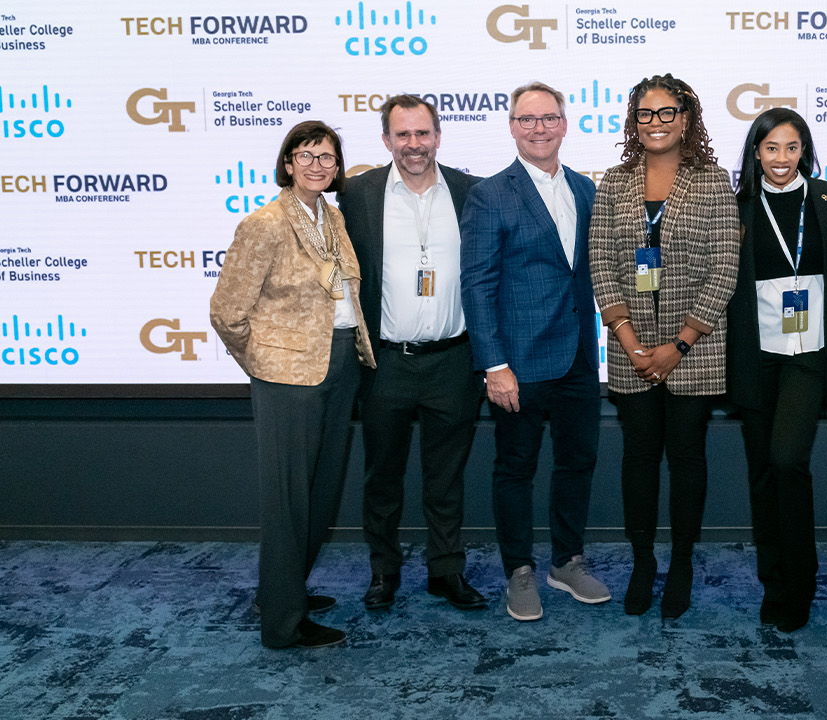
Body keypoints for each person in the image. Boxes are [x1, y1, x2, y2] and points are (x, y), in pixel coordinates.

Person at [210, 120, 376, 648]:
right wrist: (265, 361)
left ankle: (281, 591)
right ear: (287, 163)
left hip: (339, 363)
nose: (316, 165)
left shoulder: (332, 216)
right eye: (305, 155)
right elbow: (226, 312)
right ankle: (283, 625)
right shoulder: (264, 223)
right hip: (288, 377)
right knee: (288, 501)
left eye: (326, 157)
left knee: (320, 492)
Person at [589, 74, 739, 619]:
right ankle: (642, 562)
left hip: (694, 351)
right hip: (630, 351)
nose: (656, 123)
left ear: (686, 118)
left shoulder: (712, 181)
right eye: (645, 113)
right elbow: (601, 263)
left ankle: (680, 564)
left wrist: (679, 344)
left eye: (666, 112)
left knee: (687, 460)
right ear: (633, 121)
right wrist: (630, 342)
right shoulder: (613, 182)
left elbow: (725, 268)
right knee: (638, 460)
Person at [460, 81, 609, 622]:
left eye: (548, 118)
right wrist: (494, 365)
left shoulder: (586, 189)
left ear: (565, 125)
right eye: (527, 119)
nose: (539, 128)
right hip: (517, 365)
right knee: (515, 469)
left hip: (578, 358)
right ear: (512, 127)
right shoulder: (490, 195)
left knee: (577, 462)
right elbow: (476, 284)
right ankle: (519, 570)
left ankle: (566, 562)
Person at [338, 95, 486, 613]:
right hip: (385, 362)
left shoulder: (471, 192)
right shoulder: (357, 195)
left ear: (438, 136)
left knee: (446, 477)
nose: (414, 144)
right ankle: (384, 571)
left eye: (423, 133)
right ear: (386, 140)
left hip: (453, 359)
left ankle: (447, 571)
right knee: (382, 475)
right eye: (402, 134)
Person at [726, 108, 827, 632]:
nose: (782, 158)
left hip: (810, 354)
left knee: (787, 460)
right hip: (755, 356)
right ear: (756, 152)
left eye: (792, 147)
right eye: (771, 147)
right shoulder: (737, 207)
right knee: (763, 472)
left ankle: (800, 583)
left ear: (805, 150)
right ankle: (773, 580)